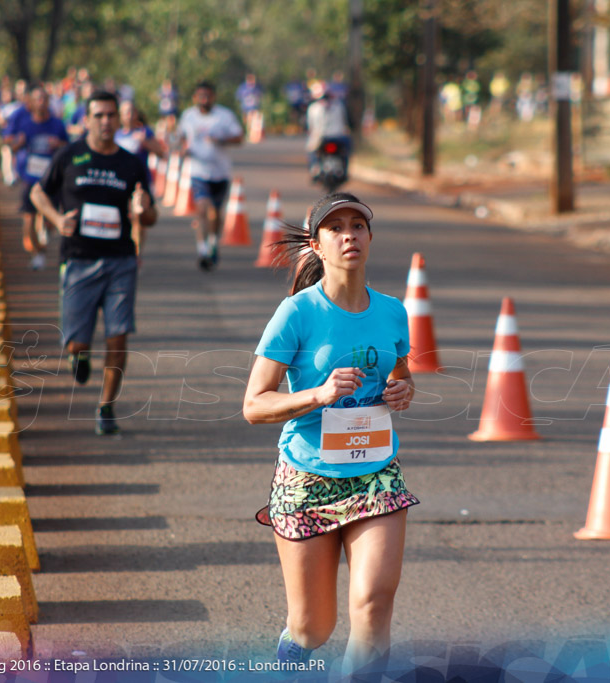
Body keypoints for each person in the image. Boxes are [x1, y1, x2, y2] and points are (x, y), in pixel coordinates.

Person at [243, 192, 418, 675]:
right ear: (317, 245)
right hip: (307, 478)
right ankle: (291, 653)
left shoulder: (391, 311)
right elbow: (254, 405)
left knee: (373, 605)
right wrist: (317, 395)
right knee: (312, 627)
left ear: (369, 237)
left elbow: (400, 373)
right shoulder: (297, 313)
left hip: (376, 474)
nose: (349, 235)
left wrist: (403, 390)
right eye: (336, 228)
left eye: (357, 226)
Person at [30, 91, 156, 436]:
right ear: (86, 120)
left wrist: (143, 212)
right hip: (78, 260)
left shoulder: (131, 164)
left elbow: (150, 215)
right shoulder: (69, 156)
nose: (105, 121)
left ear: (120, 120)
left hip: (120, 261)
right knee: (77, 341)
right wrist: (57, 221)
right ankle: (79, 355)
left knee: (118, 338)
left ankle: (106, 407)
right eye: (98, 115)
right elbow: (38, 193)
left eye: (111, 115)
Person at [177, 81, 243, 271]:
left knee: (216, 214)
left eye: (208, 96)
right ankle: (202, 250)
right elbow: (181, 136)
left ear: (213, 97)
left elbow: (239, 137)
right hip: (198, 172)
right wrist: (183, 149)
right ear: (195, 98)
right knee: (202, 209)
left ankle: (213, 243)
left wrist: (221, 139)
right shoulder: (188, 116)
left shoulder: (224, 116)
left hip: (220, 173)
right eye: (201, 96)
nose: (204, 99)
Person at [5, 83, 68, 269]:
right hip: (30, 177)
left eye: (44, 99)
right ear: (30, 103)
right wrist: (19, 142)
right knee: (29, 217)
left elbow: (67, 147)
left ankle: (46, 231)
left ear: (49, 102)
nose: (41, 102)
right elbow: (10, 146)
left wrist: (58, 144)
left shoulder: (57, 124)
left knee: (50, 218)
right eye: (37, 99)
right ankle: (37, 252)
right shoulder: (24, 124)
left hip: (51, 178)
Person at [305, 81, 351, 179]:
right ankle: (345, 169)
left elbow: (310, 127)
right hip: (339, 137)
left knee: (311, 149)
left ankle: (314, 168)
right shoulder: (339, 105)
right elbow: (345, 121)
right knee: (347, 149)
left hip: (321, 138)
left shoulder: (313, 108)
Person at [114, 99, 167, 184]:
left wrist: (145, 142)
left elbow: (161, 152)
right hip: (121, 180)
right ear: (120, 115)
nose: (130, 115)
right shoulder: (116, 135)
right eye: (126, 112)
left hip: (141, 180)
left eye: (132, 111)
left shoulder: (145, 131)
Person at [235, 73, 263, 139]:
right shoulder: (242, 87)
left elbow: (260, 96)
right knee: (246, 121)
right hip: (245, 107)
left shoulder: (257, 87)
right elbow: (238, 96)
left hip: (254, 107)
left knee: (252, 121)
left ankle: (251, 134)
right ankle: (247, 132)